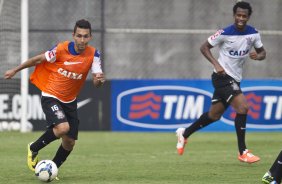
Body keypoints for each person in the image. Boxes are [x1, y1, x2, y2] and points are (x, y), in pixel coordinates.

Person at [4, 19, 105, 175]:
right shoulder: (60, 49)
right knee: (63, 128)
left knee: (69, 142)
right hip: (51, 95)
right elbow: (37, 59)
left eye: (85, 36)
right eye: (79, 36)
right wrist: (15, 70)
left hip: (70, 101)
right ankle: (33, 148)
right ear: (73, 35)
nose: (82, 40)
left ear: (90, 37)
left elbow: (97, 82)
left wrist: (99, 81)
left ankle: (52, 168)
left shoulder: (94, 54)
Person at [176, 1, 266, 163]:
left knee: (214, 115)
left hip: (235, 79)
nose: (240, 18)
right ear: (234, 15)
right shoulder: (224, 32)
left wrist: (258, 56)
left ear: (248, 17)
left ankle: (185, 133)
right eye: (238, 15)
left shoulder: (253, 34)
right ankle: (243, 151)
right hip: (222, 77)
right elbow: (204, 47)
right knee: (243, 107)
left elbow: (262, 53)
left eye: (244, 16)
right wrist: (216, 64)